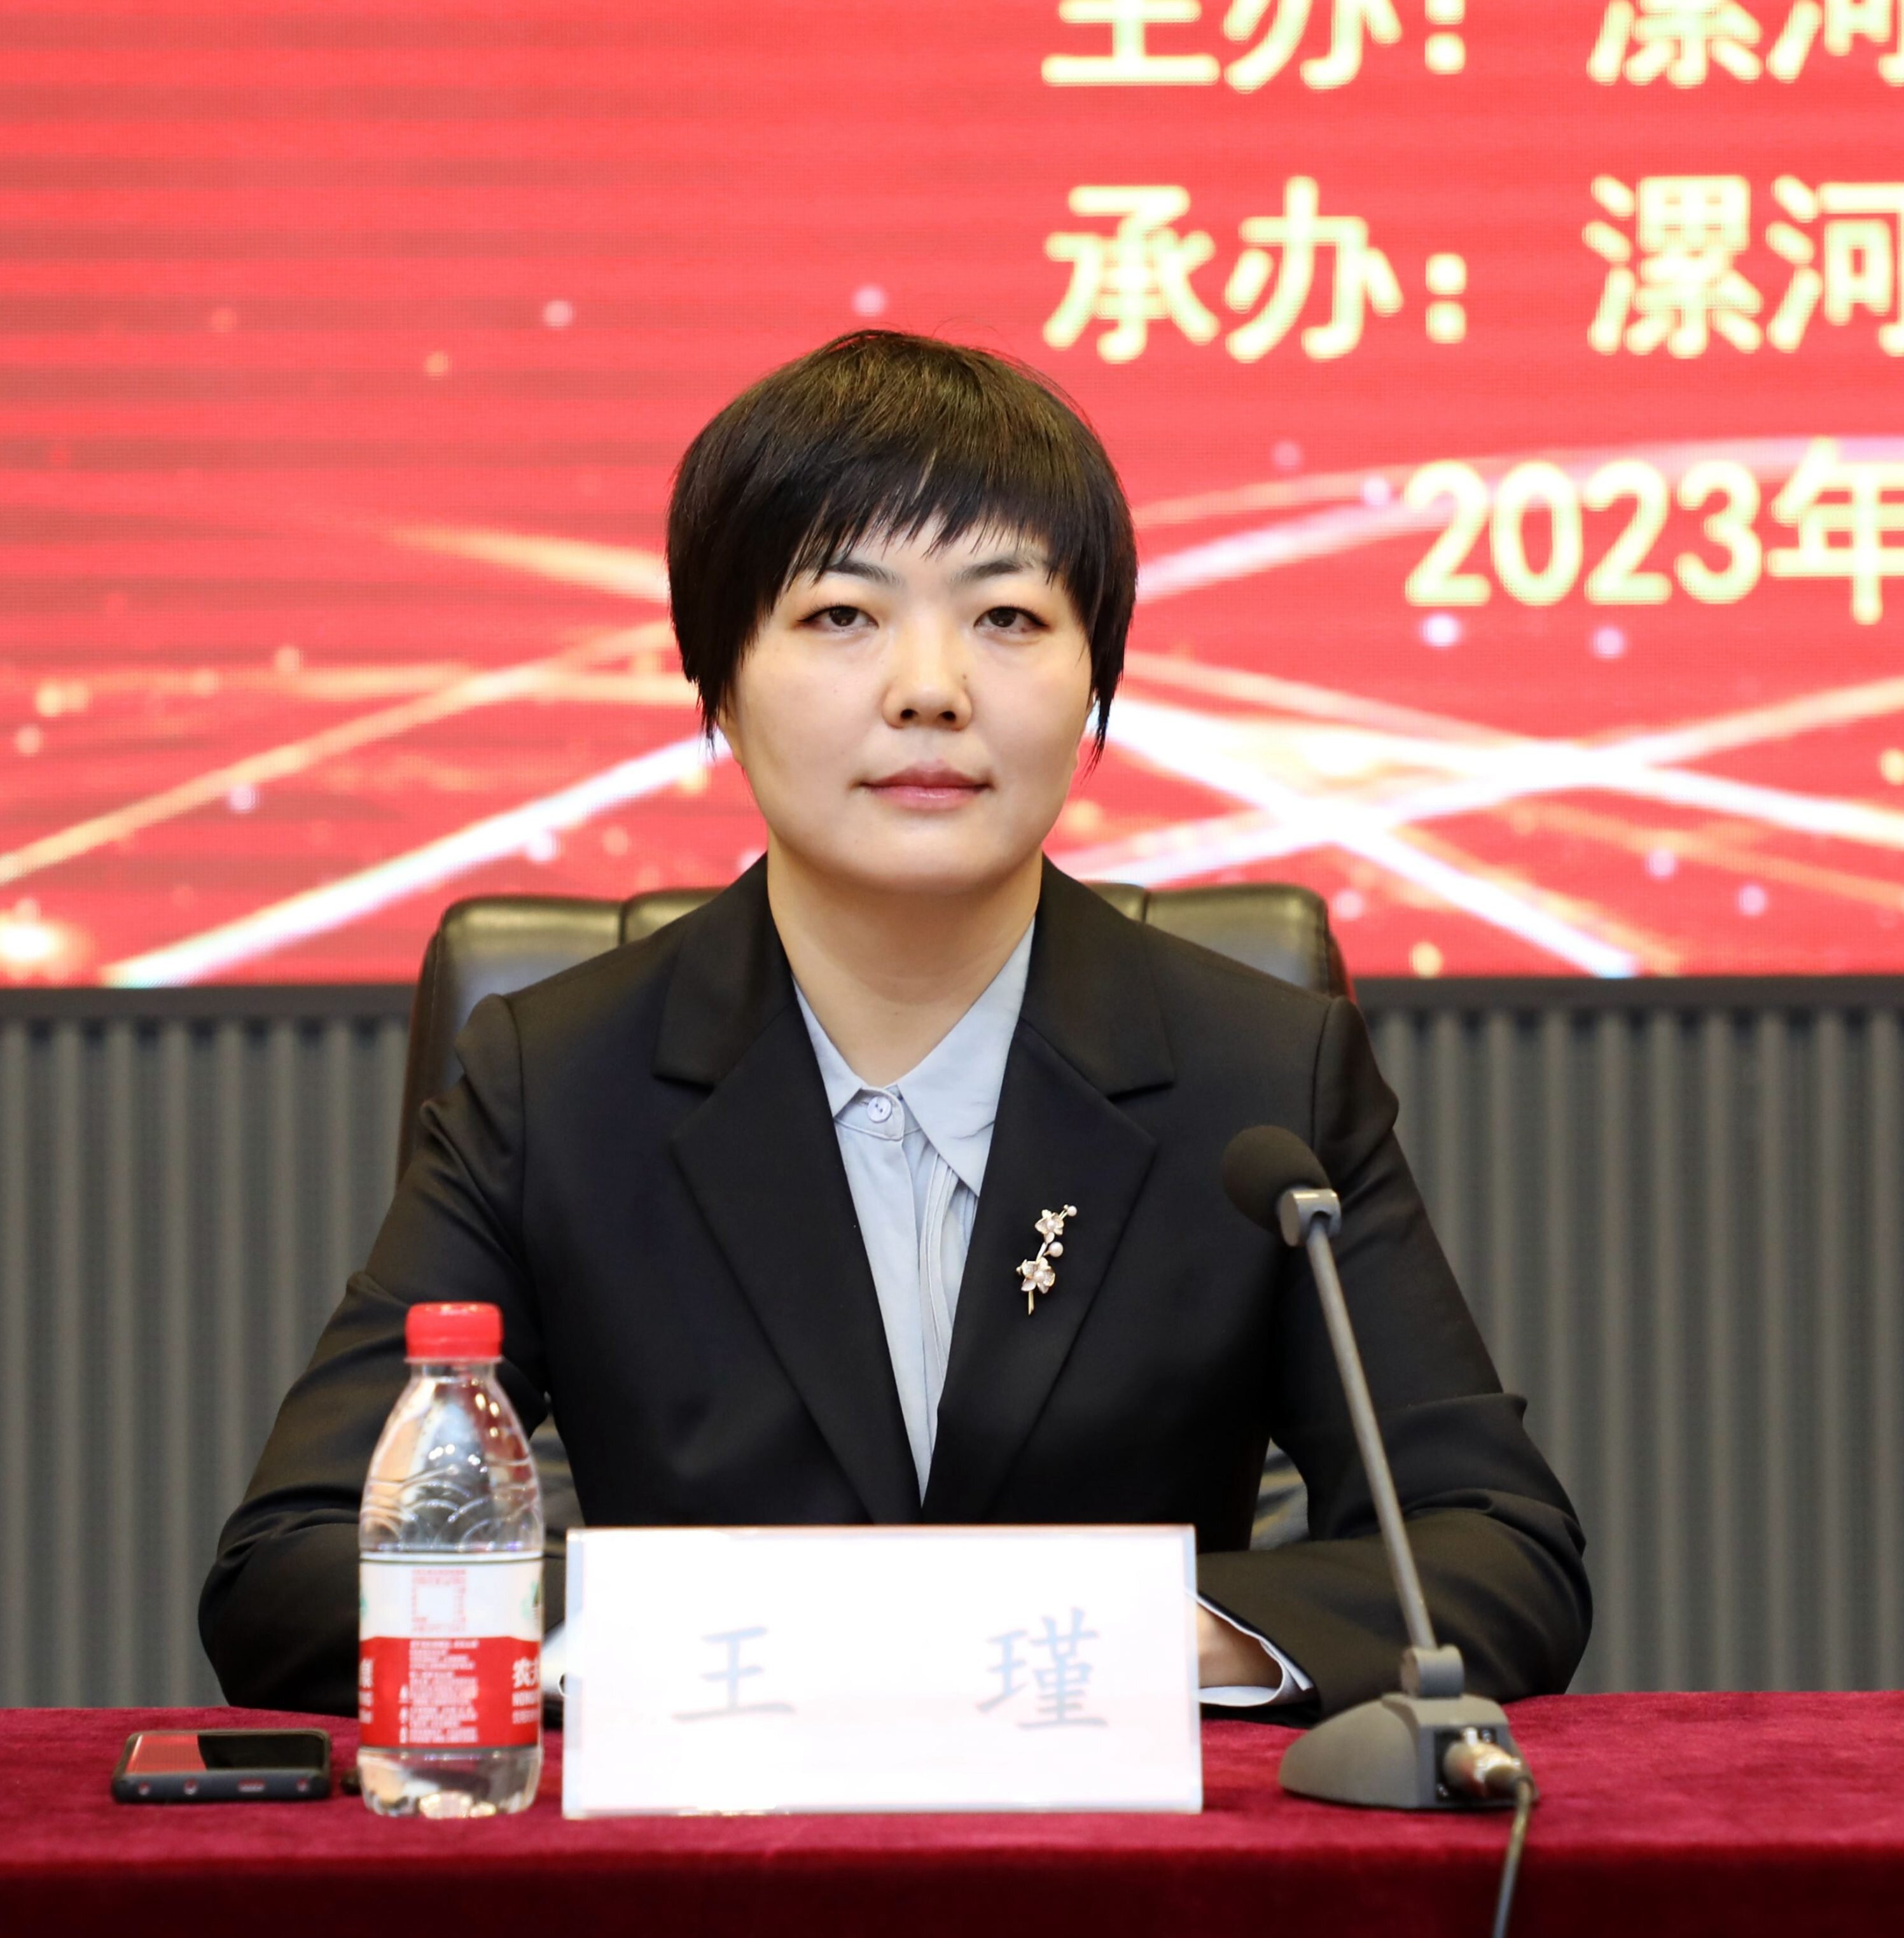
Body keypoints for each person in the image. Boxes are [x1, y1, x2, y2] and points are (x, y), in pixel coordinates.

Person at [200, 330, 1588, 1718]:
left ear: (1094, 682)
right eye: (840, 615)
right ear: (718, 679)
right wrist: (737, 1639)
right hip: (706, 1826)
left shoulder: (1258, 1081)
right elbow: (293, 1567)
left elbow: (1492, 1545)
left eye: (1007, 617)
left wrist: (1134, 1643)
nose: (930, 687)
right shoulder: (558, 1083)